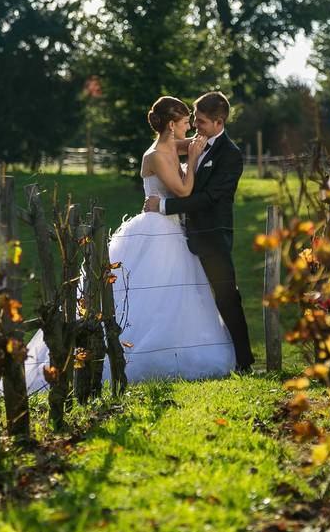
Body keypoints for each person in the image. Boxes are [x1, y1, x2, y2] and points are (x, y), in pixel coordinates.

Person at [24, 95, 236, 395]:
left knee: (178, 294)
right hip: (159, 229)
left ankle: (180, 343)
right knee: (151, 290)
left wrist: (201, 143)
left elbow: (197, 144)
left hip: (173, 229)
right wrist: (193, 160)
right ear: (172, 124)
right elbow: (185, 190)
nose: (190, 128)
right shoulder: (156, 155)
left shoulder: (172, 144)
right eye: (186, 122)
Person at [143, 91, 253, 372]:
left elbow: (210, 197)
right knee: (179, 295)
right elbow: (165, 148)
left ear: (219, 122)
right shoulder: (195, 143)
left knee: (227, 295)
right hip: (181, 236)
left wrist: (165, 206)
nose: (195, 126)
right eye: (193, 119)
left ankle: (244, 360)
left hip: (211, 235)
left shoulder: (230, 155)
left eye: (201, 122)